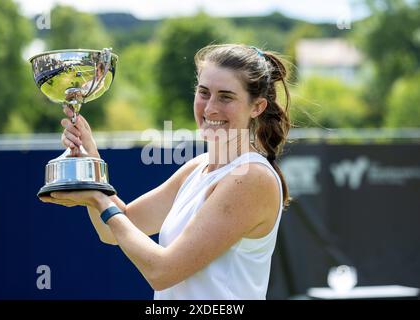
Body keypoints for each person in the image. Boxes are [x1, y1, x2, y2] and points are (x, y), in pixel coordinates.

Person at [40, 43, 291, 300]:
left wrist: (99, 199)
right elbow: (115, 228)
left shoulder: (252, 177)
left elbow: (162, 271)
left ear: (257, 107)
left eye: (226, 97)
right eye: (204, 93)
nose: (210, 108)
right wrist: (91, 159)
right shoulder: (197, 167)